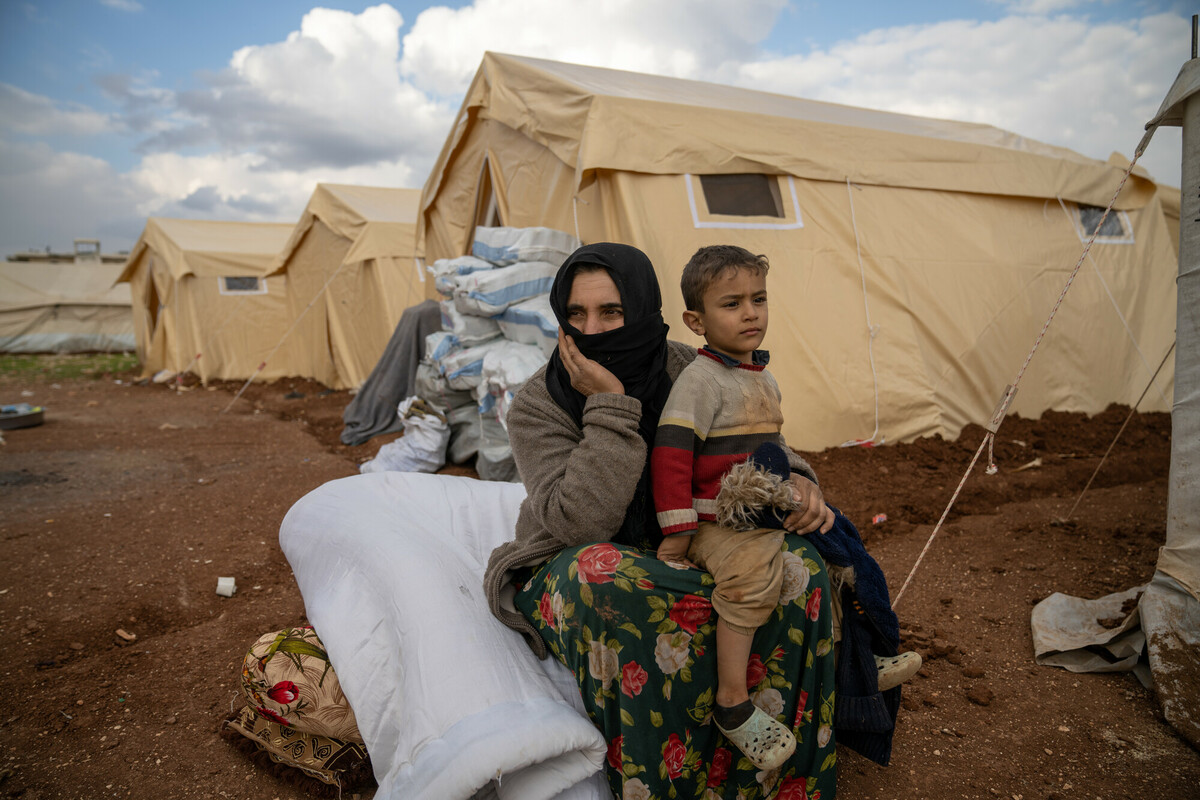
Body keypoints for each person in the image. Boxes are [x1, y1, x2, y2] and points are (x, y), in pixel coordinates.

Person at [484, 242, 838, 800]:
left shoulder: (691, 367)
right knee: (607, 578)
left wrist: (796, 478)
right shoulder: (539, 403)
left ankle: (775, 782)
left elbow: (754, 437)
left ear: (645, 311)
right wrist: (611, 406)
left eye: (612, 312)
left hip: (693, 541)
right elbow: (581, 524)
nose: (593, 330)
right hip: (573, 561)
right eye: (576, 315)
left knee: (801, 566)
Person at [651, 245, 822, 770]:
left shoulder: (761, 376)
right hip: (716, 520)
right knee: (750, 574)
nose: (751, 313)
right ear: (695, 321)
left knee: (836, 539)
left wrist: (800, 484)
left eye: (759, 299)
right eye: (732, 304)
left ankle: (862, 656)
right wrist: (678, 532)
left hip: (759, 508)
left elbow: (771, 447)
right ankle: (731, 701)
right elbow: (671, 455)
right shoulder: (699, 382)